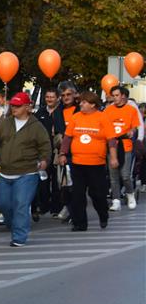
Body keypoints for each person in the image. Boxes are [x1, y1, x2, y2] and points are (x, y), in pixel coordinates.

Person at [0, 92, 51, 246]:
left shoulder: (37, 126)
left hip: (27, 172)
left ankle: (19, 236)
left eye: (18, 106)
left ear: (28, 107)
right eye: (13, 105)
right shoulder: (5, 123)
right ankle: (15, 225)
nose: (14, 108)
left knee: (21, 203)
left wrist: (45, 160)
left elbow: (45, 146)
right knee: (3, 203)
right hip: (6, 172)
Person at [58, 91, 118, 231]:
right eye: (81, 102)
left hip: (96, 164)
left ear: (92, 104)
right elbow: (67, 138)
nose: (81, 104)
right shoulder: (76, 117)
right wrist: (62, 154)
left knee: (97, 194)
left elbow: (111, 140)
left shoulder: (103, 118)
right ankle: (80, 223)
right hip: (77, 163)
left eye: (84, 102)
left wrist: (113, 158)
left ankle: (103, 214)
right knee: (77, 195)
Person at [104, 86, 141, 210]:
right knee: (113, 175)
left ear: (123, 96)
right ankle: (116, 200)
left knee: (125, 175)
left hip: (125, 145)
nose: (115, 98)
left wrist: (131, 131)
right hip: (112, 144)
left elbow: (135, 126)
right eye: (113, 95)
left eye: (117, 95)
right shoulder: (108, 110)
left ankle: (130, 194)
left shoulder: (131, 110)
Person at [53, 81, 80, 221]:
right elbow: (57, 131)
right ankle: (68, 206)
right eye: (63, 95)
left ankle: (74, 209)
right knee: (63, 183)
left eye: (69, 94)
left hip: (79, 151)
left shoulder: (81, 109)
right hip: (63, 152)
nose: (66, 97)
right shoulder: (58, 112)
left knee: (76, 183)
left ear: (75, 94)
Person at [35, 88, 62, 218]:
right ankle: (43, 205)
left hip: (57, 151)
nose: (49, 99)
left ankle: (56, 208)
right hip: (43, 151)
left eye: (52, 97)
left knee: (57, 181)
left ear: (57, 98)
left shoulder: (61, 112)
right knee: (43, 179)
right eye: (47, 97)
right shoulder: (40, 112)